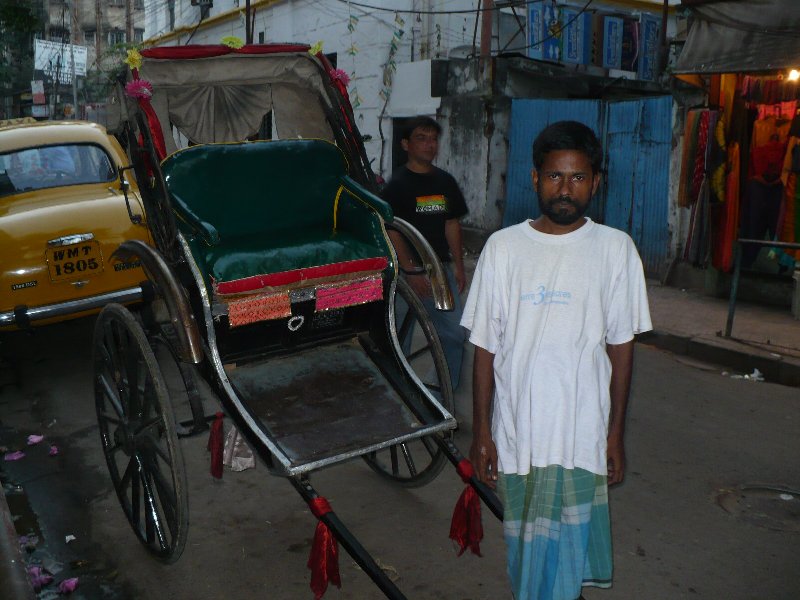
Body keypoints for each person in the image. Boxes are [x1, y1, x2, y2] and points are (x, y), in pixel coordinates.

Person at [461, 120, 652, 600]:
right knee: (527, 554)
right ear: (535, 178)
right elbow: (484, 348)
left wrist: (615, 434)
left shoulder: (616, 250)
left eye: (578, 177)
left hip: (581, 433)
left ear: (596, 182)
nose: (565, 189)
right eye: (554, 176)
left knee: (566, 558)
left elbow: (621, 347)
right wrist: (482, 432)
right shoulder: (503, 249)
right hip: (519, 432)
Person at [381, 116, 468, 392]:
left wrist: (458, 266)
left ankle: (439, 395)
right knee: (399, 340)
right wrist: (410, 270)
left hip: (439, 271)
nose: (430, 145)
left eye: (433, 139)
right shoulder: (397, 185)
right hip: (405, 277)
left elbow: (451, 223)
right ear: (406, 144)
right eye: (422, 138)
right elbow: (392, 230)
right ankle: (401, 395)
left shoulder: (445, 182)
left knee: (454, 335)